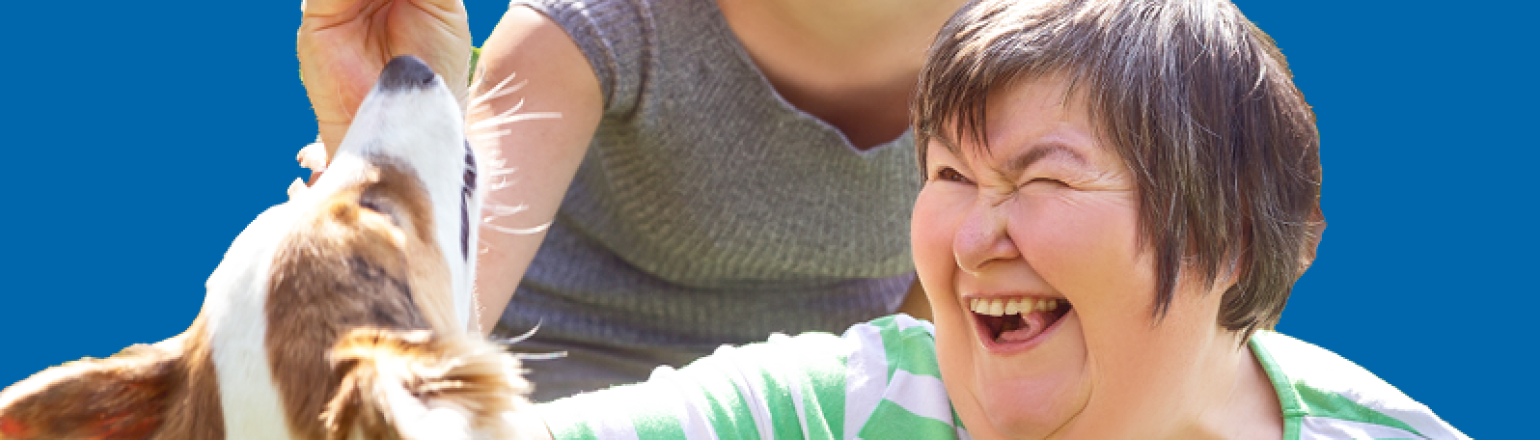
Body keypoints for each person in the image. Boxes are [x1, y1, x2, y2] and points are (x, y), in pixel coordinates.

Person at [498, 0, 1464, 438]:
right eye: (950, 176)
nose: (970, 237)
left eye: (1045, 181)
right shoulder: (836, 406)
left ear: (1228, 235)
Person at [297, 0, 964, 401]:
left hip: (810, 404)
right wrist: (398, 172)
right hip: (539, 393)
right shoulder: (594, 26)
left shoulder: (1034, 48)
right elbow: (417, 343)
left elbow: (924, 356)